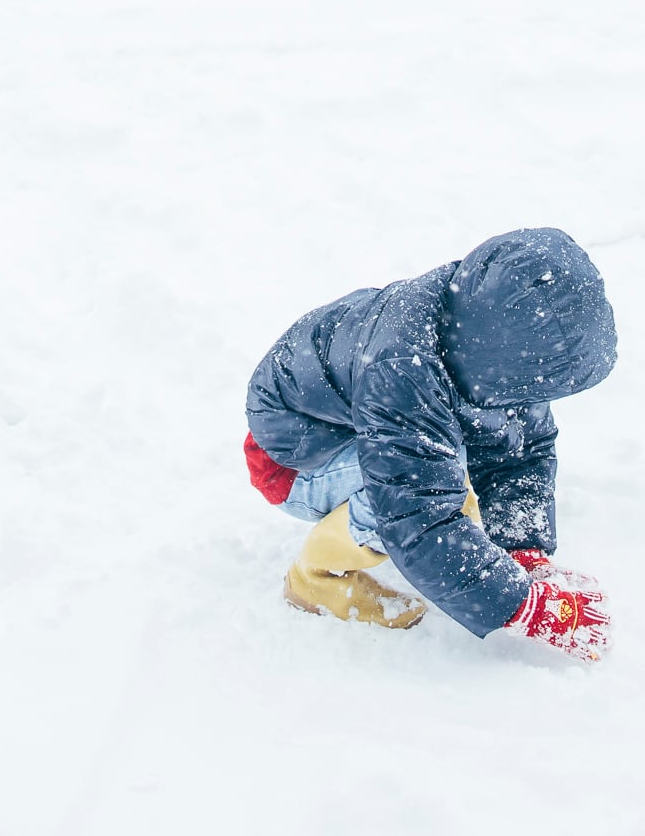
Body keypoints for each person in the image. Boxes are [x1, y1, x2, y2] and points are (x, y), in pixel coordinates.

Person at [242, 227, 618, 659]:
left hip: (352, 421)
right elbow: (417, 519)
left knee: (448, 458)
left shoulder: (482, 336)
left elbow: (521, 446)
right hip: (294, 461)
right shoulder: (402, 369)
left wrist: (524, 550)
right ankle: (318, 576)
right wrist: (524, 607)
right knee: (436, 477)